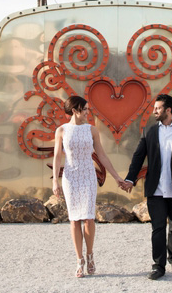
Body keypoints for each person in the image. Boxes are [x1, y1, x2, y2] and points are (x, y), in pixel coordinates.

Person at [51, 93, 127, 278]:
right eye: (84, 110)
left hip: (87, 176)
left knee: (89, 218)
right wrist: (55, 180)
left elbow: (101, 155)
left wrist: (117, 176)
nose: (87, 113)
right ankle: (79, 260)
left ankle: (90, 255)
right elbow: (57, 157)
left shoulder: (91, 130)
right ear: (76, 110)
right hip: (70, 177)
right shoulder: (61, 130)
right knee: (74, 219)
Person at [123, 93, 172, 279]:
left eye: (158, 108)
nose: (154, 111)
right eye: (154, 108)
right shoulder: (149, 132)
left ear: (168, 110)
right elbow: (138, 157)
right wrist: (131, 179)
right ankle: (158, 266)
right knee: (157, 228)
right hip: (155, 188)